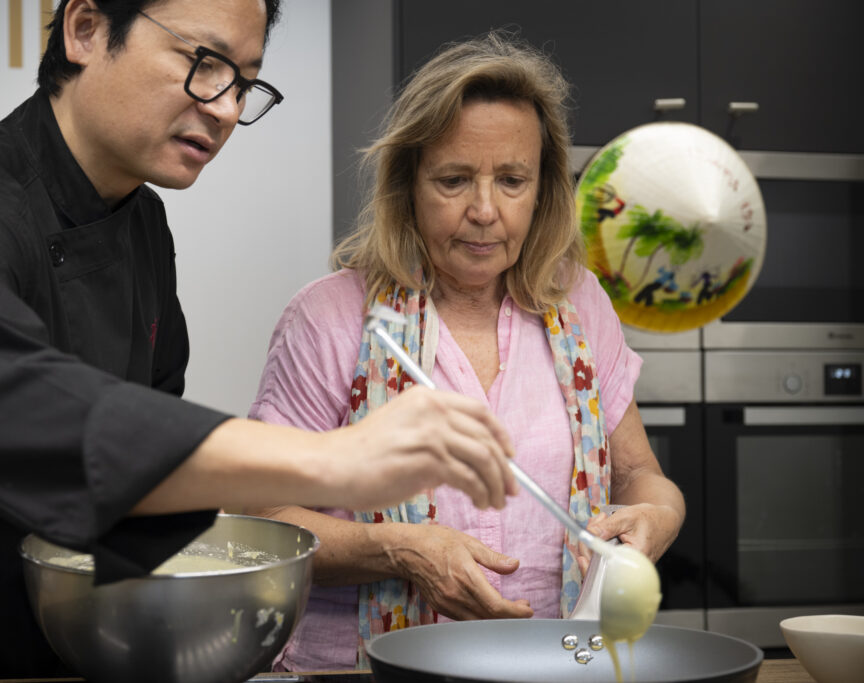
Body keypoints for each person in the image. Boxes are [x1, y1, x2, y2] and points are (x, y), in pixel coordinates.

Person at [0, 2, 523, 680]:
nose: (226, 108)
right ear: (84, 29)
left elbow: (147, 472)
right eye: (204, 64)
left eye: (245, 82)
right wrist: (330, 459)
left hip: (71, 646)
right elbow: (0, 399)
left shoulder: (143, 224)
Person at [247, 31, 686, 671]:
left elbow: (640, 476)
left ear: (543, 190)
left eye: (512, 180)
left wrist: (658, 519)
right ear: (408, 184)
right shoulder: (330, 317)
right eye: (454, 180)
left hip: (558, 662)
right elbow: (263, 522)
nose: (485, 211)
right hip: (358, 670)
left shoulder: (580, 304)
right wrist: (398, 550)